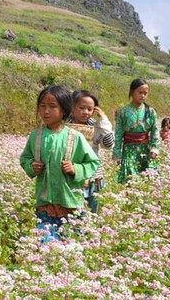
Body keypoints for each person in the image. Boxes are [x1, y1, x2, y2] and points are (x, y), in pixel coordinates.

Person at [20, 85, 100, 242]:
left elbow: (92, 162)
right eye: (42, 106)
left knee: (71, 247)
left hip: (70, 203)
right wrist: (31, 166)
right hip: (44, 205)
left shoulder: (75, 137)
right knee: (45, 246)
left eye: (52, 106)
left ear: (64, 110)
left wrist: (75, 169)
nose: (46, 111)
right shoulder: (36, 136)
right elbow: (25, 158)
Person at [66, 90, 114, 213]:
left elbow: (109, 144)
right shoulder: (64, 125)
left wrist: (104, 120)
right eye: (82, 108)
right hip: (69, 173)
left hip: (93, 175)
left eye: (90, 109)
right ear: (72, 106)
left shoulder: (97, 125)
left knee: (91, 213)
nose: (86, 112)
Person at [113, 78, 161, 184]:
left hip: (145, 150)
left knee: (148, 180)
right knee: (130, 179)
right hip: (129, 150)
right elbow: (118, 134)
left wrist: (154, 148)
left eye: (145, 93)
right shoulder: (123, 111)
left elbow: (155, 131)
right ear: (132, 92)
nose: (143, 96)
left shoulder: (151, 112)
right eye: (140, 92)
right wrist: (117, 154)